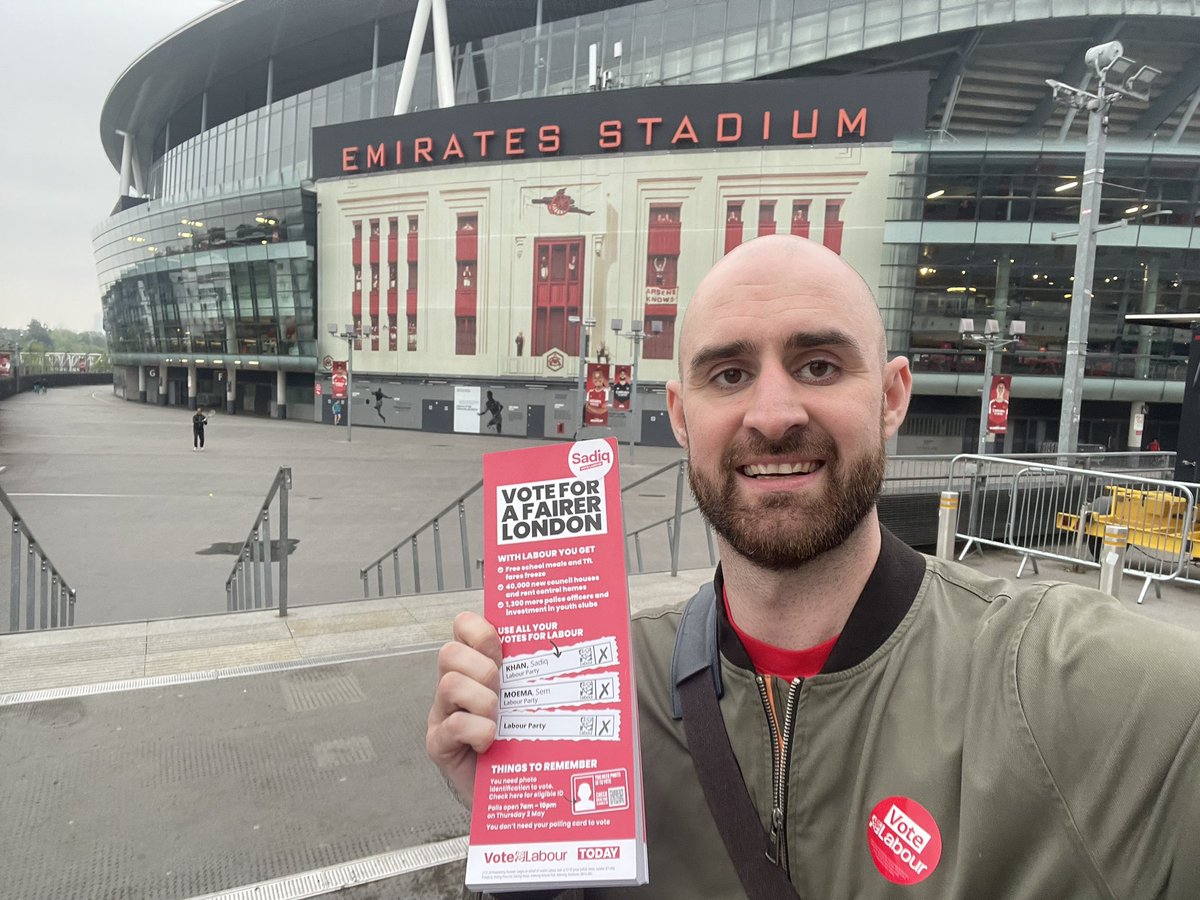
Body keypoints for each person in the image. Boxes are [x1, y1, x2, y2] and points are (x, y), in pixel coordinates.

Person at [427, 235, 1200, 899]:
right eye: (728, 375)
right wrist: (521, 838)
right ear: (680, 414)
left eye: (821, 366)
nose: (773, 414)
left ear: (893, 396)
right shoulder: (601, 693)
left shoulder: (1074, 688)